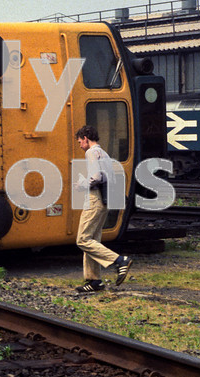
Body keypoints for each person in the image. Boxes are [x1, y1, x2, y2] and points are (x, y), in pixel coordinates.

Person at [73, 125, 133, 293]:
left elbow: (96, 177)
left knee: (83, 240)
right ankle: (94, 281)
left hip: (94, 199)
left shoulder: (90, 152)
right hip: (104, 200)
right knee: (92, 240)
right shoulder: (104, 153)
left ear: (86, 138)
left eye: (80, 141)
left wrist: (81, 184)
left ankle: (120, 260)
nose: (79, 145)